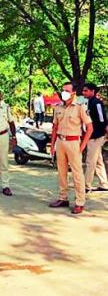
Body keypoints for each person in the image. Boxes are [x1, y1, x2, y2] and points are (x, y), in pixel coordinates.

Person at [49, 82, 93, 214]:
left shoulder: (80, 107)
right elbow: (55, 127)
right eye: (63, 90)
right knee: (61, 172)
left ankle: (80, 202)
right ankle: (63, 198)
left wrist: (82, 146)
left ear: (73, 93)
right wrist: (52, 145)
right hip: (60, 142)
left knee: (77, 173)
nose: (64, 92)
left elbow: (89, 128)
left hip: (73, 142)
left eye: (67, 90)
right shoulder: (58, 108)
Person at [82, 83, 108, 192]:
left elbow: (102, 120)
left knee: (90, 161)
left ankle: (86, 186)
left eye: (86, 91)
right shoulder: (88, 103)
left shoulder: (97, 103)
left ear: (93, 91)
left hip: (96, 136)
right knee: (98, 160)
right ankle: (104, 184)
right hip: (92, 135)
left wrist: (102, 132)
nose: (84, 92)